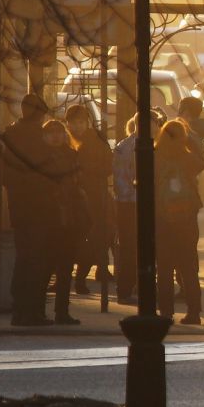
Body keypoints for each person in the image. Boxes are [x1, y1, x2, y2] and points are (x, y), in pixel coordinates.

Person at [0, 93, 57, 326]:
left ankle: (21, 310)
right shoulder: (37, 138)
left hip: (19, 207)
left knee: (24, 258)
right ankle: (33, 311)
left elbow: (5, 173)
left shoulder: (10, 134)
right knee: (38, 261)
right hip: (39, 208)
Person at [154, 118, 204, 324]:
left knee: (164, 269)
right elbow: (203, 162)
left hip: (162, 219)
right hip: (186, 220)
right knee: (188, 268)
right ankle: (193, 312)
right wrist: (189, 142)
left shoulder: (155, 158)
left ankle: (166, 312)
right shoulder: (188, 159)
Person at [37, 118, 87, 327]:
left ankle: (62, 311)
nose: (56, 136)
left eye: (59, 132)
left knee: (66, 268)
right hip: (49, 218)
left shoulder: (72, 155)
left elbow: (78, 184)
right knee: (46, 268)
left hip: (70, 219)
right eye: (51, 133)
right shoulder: (40, 157)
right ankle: (39, 310)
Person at [66, 104, 113, 296]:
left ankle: (83, 277)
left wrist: (86, 171)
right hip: (70, 198)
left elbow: (108, 167)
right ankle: (70, 277)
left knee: (94, 237)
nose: (77, 127)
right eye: (73, 123)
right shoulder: (63, 140)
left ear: (87, 123)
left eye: (80, 123)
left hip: (94, 196)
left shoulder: (96, 141)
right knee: (69, 240)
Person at [110, 112, 145, 304]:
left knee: (132, 247)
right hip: (130, 204)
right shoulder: (125, 148)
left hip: (128, 202)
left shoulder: (124, 146)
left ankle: (130, 287)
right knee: (130, 247)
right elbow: (120, 178)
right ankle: (126, 287)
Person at [178, 96, 204, 203]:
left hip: (180, 183)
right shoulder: (201, 130)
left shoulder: (184, 132)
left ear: (186, 112)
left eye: (181, 109)